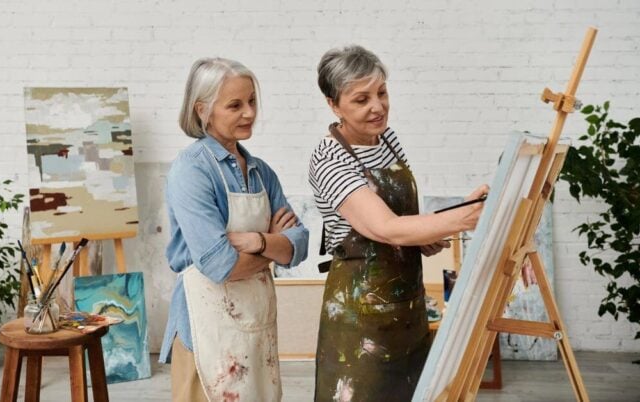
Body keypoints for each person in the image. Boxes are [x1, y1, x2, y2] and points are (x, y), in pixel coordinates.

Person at [309, 45, 488, 401]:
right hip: (360, 322)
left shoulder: (388, 140)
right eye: (361, 99)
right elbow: (385, 228)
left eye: (382, 93)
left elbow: (403, 222)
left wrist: (427, 233)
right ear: (333, 105)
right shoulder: (328, 157)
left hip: (407, 311)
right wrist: (463, 218)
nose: (378, 106)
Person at [160, 57, 309, 402]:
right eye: (235, 105)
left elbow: (298, 245)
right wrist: (273, 246)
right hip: (205, 330)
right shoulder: (191, 171)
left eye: (252, 101)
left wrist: (256, 240)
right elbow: (219, 266)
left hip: (257, 326)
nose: (249, 113)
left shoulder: (261, 172)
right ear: (203, 110)